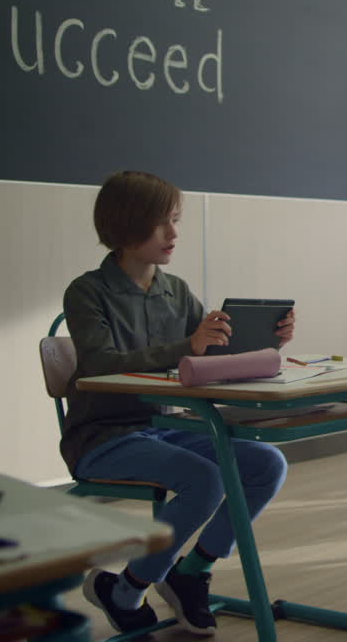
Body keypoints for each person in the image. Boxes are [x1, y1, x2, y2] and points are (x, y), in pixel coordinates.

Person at [64, 171, 293, 635]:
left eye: (176, 221)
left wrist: (265, 338)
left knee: (267, 464)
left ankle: (192, 575)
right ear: (126, 224)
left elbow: (209, 358)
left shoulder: (178, 291)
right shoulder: (88, 291)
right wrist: (189, 345)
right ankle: (125, 589)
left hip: (166, 427)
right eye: (162, 223)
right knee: (205, 478)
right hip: (103, 436)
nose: (174, 234)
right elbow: (100, 365)